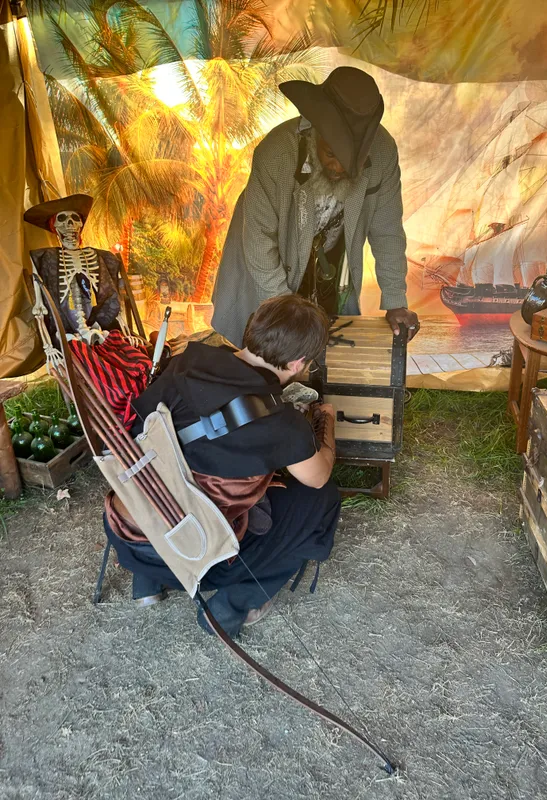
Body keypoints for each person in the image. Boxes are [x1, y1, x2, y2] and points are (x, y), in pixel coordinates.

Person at [102, 294, 340, 638]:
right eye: (308, 365)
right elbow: (317, 478)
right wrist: (326, 424)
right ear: (296, 363)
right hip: (192, 554)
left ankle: (147, 581)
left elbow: (144, 424)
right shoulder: (281, 423)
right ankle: (232, 606)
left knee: (171, 468)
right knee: (322, 501)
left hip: (126, 525)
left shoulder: (186, 360)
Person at [211, 66, 420, 348]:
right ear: (315, 129)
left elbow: (387, 230)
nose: (337, 168)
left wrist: (396, 300)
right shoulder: (275, 153)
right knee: (262, 344)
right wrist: (284, 310)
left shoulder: (383, 152)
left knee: (325, 347)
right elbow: (259, 241)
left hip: (327, 261)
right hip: (263, 260)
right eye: (331, 154)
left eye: (350, 161)